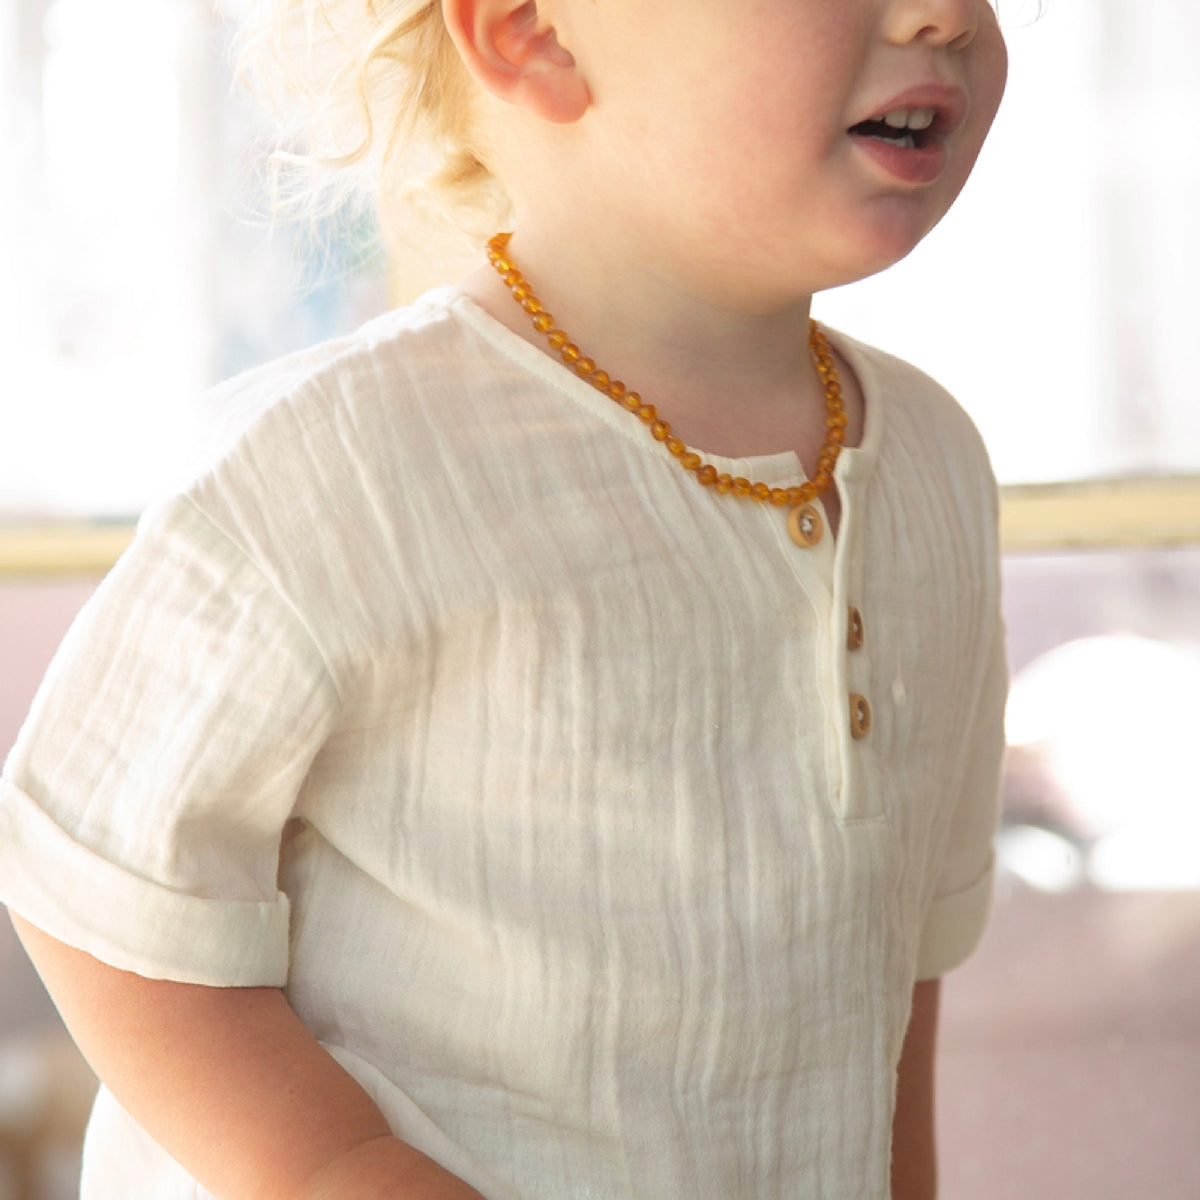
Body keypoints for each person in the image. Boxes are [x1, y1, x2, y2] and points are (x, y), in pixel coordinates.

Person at [0, 0, 1009, 1196]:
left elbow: (890, 964)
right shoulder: (342, 461)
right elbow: (92, 883)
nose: (945, 15)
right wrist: (338, 1166)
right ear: (533, 33)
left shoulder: (937, 463)